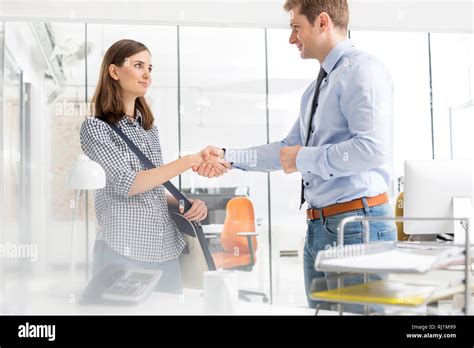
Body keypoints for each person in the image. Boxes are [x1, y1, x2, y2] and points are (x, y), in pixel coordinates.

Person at [194, 0, 397, 311]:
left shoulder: (361, 71)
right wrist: (226, 155)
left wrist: (303, 158)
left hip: (358, 226)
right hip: (320, 227)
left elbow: (371, 149)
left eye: (295, 27)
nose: (291, 38)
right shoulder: (317, 89)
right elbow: (285, 150)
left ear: (323, 22)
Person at [80, 39, 228, 294]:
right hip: (123, 250)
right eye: (139, 65)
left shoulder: (149, 129)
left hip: (165, 250)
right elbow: (126, 184)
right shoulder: (95, 128)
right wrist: (189, 160)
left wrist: (184, 202)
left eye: (150, 67)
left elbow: (151, 188)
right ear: (114, 71)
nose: (147, 74)